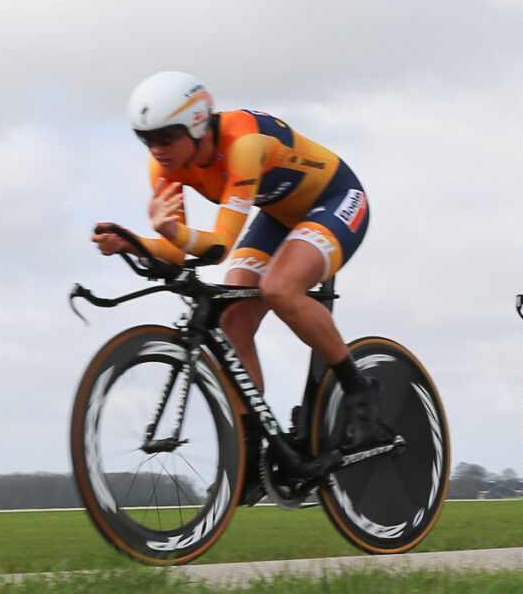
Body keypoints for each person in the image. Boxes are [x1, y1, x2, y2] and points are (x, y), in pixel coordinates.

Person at [91, 71, 381, 448]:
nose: (157, 148)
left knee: (279, 288)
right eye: (146, 139)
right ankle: (256, 445)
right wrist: (131, 244)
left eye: (166, 137)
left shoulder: (243, 143)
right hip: (279, 215)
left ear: (197, 124)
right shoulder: (165, 166)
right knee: (231, 319)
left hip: (336, 200)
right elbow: (181, 254)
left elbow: (218, 247)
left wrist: (172, 232)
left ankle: (359, 389)